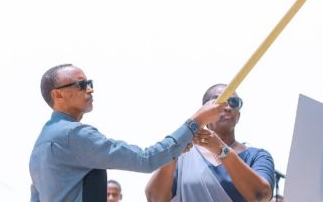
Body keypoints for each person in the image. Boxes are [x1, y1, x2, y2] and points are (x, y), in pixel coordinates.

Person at [29, 64, 224, 202]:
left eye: (90, 83)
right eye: (81, 85)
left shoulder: (39, 149)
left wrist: (178, 147)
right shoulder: (73, 135)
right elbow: (146, 159)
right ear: (58, 94)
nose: (89, 90)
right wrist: (196, 121)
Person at [145, 83, 275, 202]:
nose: (228, 107)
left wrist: (222, 150)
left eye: (234, 102)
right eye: (219, 101)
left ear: (239, 116)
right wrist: (174, 151)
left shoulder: (257, 156)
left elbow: (261, 195)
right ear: (205, 112)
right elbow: (154, 198)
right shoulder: (184, 154)